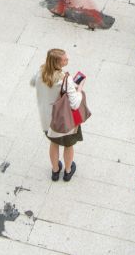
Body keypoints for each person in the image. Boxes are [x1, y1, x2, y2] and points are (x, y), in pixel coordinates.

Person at [30, 48, 84, 181]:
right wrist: (80, 89)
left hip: (47, 121)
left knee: (54, 144)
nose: (68, 59)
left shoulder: (40, 72)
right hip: (64, 122)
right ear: (57, 63)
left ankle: (55, 171)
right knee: (68, 145)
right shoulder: (65, 80)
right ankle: (67, 171)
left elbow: (32, 82)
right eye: (65, 59)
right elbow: (75, 104)